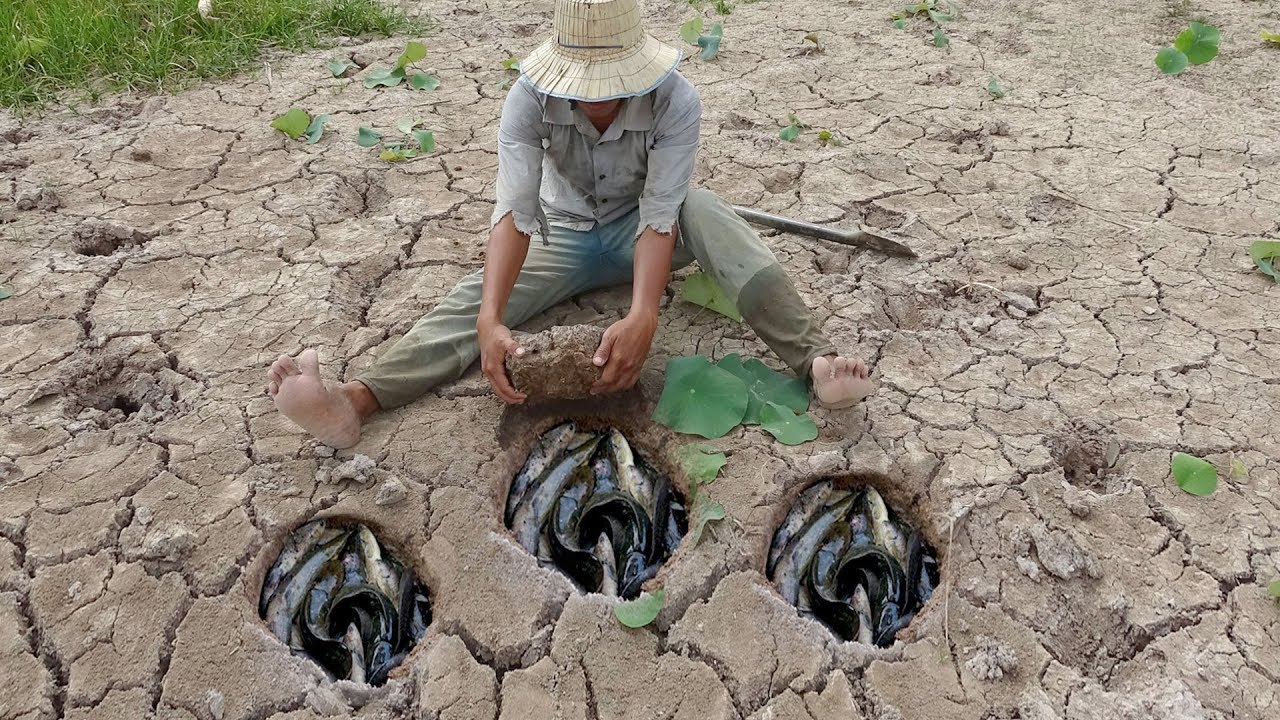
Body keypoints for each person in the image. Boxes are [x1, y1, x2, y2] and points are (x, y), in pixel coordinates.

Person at [267, 0, 875, 448]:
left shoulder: (676, 100)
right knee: (472, 299)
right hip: (563, 235)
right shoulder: (527, 99)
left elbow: (661, 215)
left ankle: (816, 363)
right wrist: (489, 320)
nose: (597, 98)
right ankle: (355, 402)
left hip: (645, 230)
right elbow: (514, 213)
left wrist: (643, 315)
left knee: (708, 209)